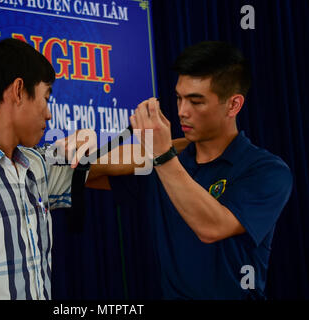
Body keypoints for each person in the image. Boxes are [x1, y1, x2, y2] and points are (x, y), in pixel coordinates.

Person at [0, 38, 187, 300]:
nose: (49, 113)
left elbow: (119, 160)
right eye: (46, 97)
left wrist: (190, 143)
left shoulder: (36, 164)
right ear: (17, 91)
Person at [109, 41, 293, 299]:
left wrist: (162, 154)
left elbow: (211, 227)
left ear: (233, 105)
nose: (182, 112)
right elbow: (91, 172)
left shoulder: (267, 170)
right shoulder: (170, 158)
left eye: (196, 102)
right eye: (178, 98)